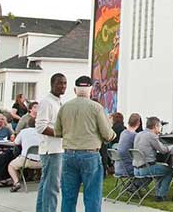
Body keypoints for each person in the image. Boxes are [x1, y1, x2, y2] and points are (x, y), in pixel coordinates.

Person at [56, 76, 116, 212]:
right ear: (91, 90)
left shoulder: (65, 107)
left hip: (69, 154)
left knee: (68, 197)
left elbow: (57, 132)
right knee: (92, 196)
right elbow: (107, 134)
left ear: (74, 90)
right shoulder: (96, 108)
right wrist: (112, 135)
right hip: (90, 155)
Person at [35, 73, 67, 212]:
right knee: (52, 187)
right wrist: (61, 134)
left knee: (45, 186)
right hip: (51, 150)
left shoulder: (58, 102)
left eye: (65, 83)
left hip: (58, 149)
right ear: (52, 84)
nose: (63, 86)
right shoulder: (47, 102)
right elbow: (41, 127)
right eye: (60, 83)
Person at [133, 116, 173, 202]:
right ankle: (161, 195)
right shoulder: (151, 136)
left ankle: (158, 193)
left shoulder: (139, 134)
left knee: (160, 170)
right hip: (146, 168)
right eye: (160, 126)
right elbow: (163, 150)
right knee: (169, 171)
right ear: (155, 126)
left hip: (136, 169)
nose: (161, 128)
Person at [7, 117, 42, 192]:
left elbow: (16, 143)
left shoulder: (23, 131)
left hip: (27, 160)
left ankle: (16, 182)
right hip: (42, 161)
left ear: (28, 124)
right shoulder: (43, 132)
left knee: (11, 166)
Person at [115, 113, 141, 177]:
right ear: (138, 124)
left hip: (118, 168)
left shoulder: (123, 133)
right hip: (128, 169)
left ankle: (132, 186)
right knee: (147, 171)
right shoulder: (135, 136)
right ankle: (134, 186)